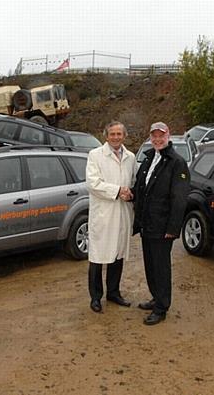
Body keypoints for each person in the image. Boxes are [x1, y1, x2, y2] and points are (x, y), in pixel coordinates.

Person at [132, 122, 190, 325]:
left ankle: (162, 307)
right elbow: (141, 187)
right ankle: (155, 297)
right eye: (154, 136)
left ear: (168, 136)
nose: (157, 139)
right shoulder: (149, 158)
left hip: (162, 226)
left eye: (161, 135)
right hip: (147, 224)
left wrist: (173, 228)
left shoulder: (177, 162)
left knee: (161, 267)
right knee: (150, 264)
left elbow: (180, 198)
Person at [85, 121, 136, 313]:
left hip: (122, 212)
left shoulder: (130, 157)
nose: (116, 137)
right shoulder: (95, 155)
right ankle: (95, 297)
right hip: (103, 214)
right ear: (105, 136)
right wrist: (117, 191)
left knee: (117, 254)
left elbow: (133, 182)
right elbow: (92, 183)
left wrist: (130, 193)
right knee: (98, 256)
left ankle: (113, 292)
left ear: (124, 136)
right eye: (112, 134)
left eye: (119, 134)